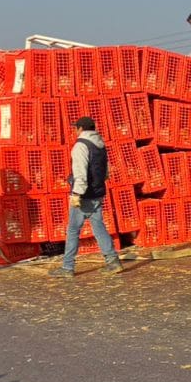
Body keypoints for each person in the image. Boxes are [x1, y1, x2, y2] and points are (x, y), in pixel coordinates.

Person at [50, 117, 125, 278]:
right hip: (98, 192)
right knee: (98, 227)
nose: (74, 131)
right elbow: (105, 170)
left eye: (75, 128)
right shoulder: (100, 144)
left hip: (85, 195)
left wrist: (77, 194)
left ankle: (67, 267)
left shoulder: (80, 146)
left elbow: (80, 173)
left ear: (81, 129)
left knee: (72, 230)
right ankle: (113, 261)